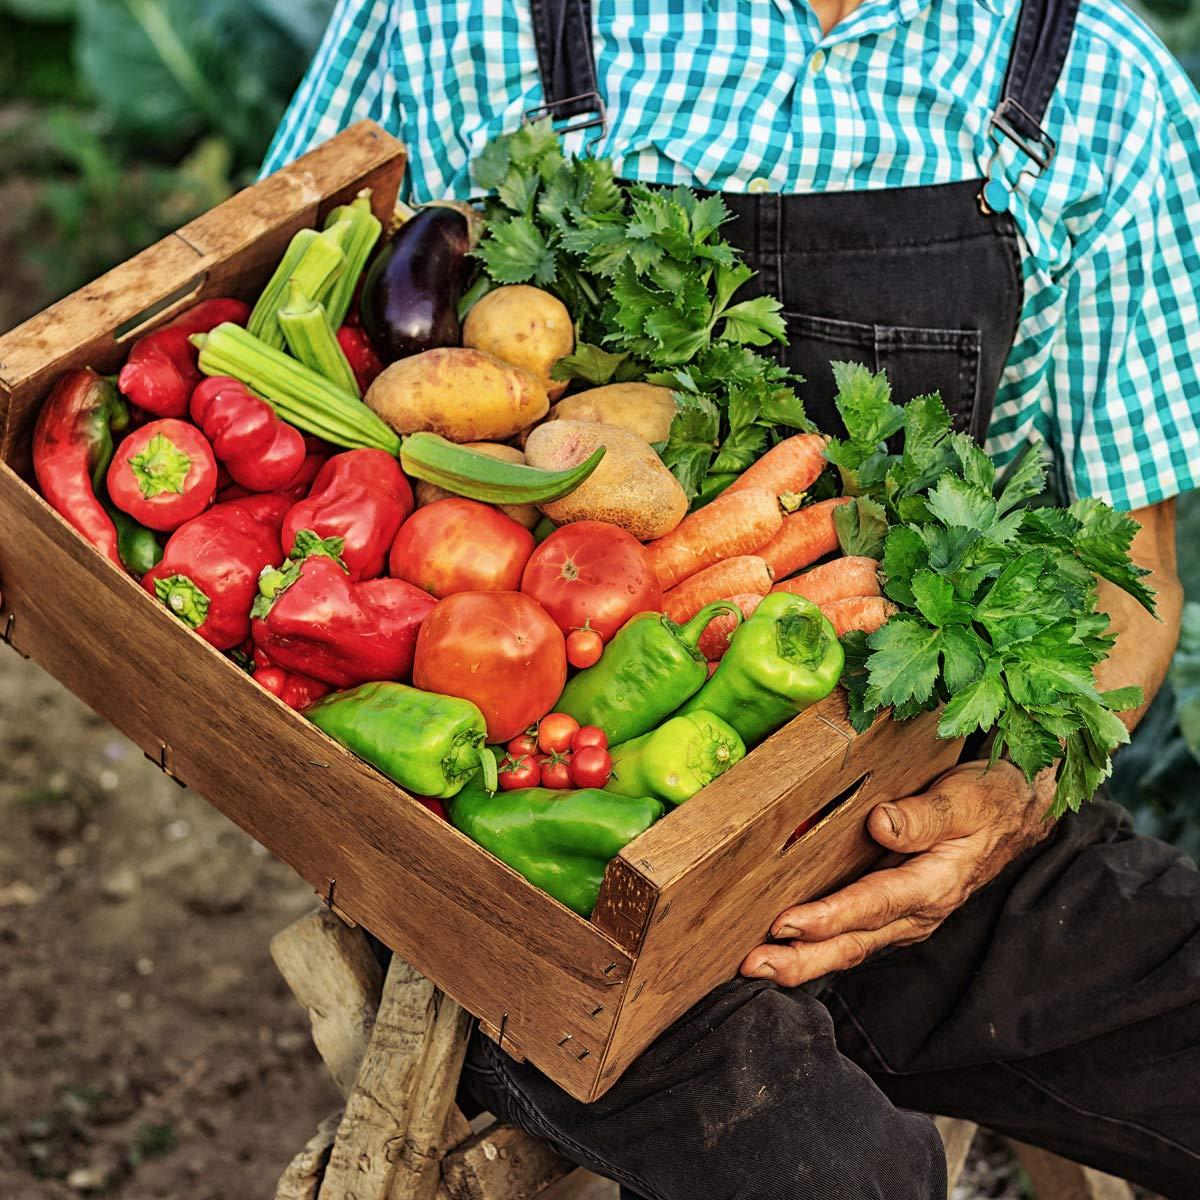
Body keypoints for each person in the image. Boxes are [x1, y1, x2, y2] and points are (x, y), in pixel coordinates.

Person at [263, 1, 1200, 1196]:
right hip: (555, 851)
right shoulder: (458, 16)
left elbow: (1133, 575)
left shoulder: (1095, 79)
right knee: (846, 1176)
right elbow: (284, 353)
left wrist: (1012, 792)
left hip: (906, 802)